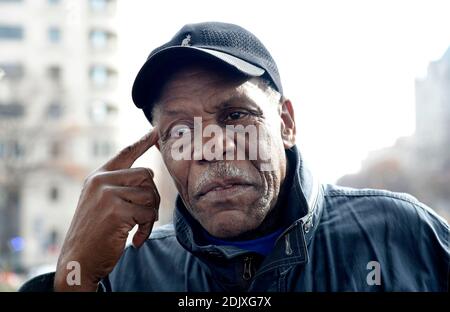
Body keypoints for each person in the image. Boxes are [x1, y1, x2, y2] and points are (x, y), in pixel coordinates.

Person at [20, 22, 449, 292]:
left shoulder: (404, 236)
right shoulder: (126, 273)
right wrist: (71, 276)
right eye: (180, 130)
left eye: (235, 115)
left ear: (286, 122)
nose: (210, 147)